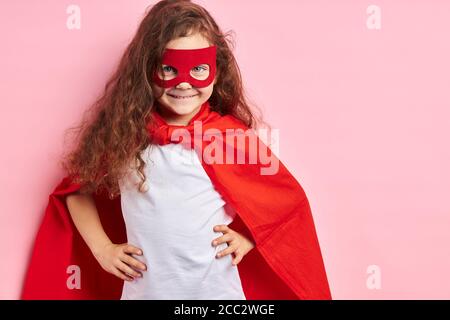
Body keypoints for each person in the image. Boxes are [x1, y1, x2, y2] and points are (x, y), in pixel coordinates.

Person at [21, 0, 332, 300]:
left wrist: (249, 238)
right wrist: (103, 249)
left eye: (198, 68)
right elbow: (77, 190)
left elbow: (284, 204)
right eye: (169, 69)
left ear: (217, 70)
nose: (184, 84)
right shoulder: (125, 136)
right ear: (146, 71)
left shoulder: (230, 138)